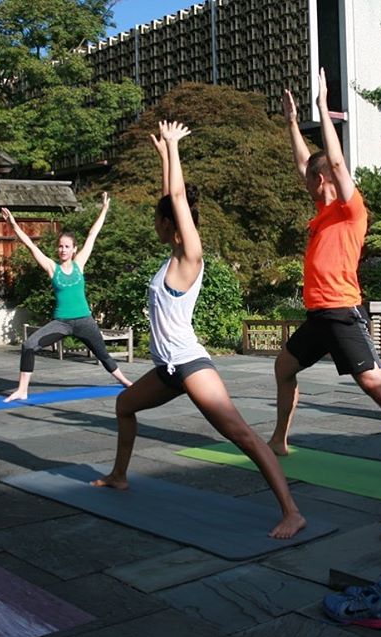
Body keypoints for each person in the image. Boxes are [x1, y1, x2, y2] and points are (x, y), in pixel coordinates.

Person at [92, 121, 306, 539]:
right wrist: (163, 156)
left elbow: (176, 197)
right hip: (168, 369)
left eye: (157, 220)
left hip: (190, 365)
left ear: (170, 225)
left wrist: (172, 148)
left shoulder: (191, 255)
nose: (153, 224)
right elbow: (174, 197)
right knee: (124, 406)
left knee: (242, 435)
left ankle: (291, 511)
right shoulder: (171, 258)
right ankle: (119, 475)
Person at [267, 69, 381, 496]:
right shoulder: (322, 212)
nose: (302, 177)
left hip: (343, 313)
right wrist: (291, 122)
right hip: (319, 316)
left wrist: (323, 109)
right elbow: (307, 162)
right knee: (284, 366)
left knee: (376, 386)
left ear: (320, 181)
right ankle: (279, 440)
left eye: (309, 176)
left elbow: (333, 162)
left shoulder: (349, 208)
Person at [1, 195, 133, 402]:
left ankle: (125, 382)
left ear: (74, 249)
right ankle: (22, 390)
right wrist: (13, 225)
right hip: (61, 323)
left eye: (66, 246)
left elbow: (92, 235)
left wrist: (105, 209)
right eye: (60, 246)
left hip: (85, 321)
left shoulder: (80, 264)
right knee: (28, 346)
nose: (62, 250)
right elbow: (30, 246)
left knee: (103, 355)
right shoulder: (52, 268)